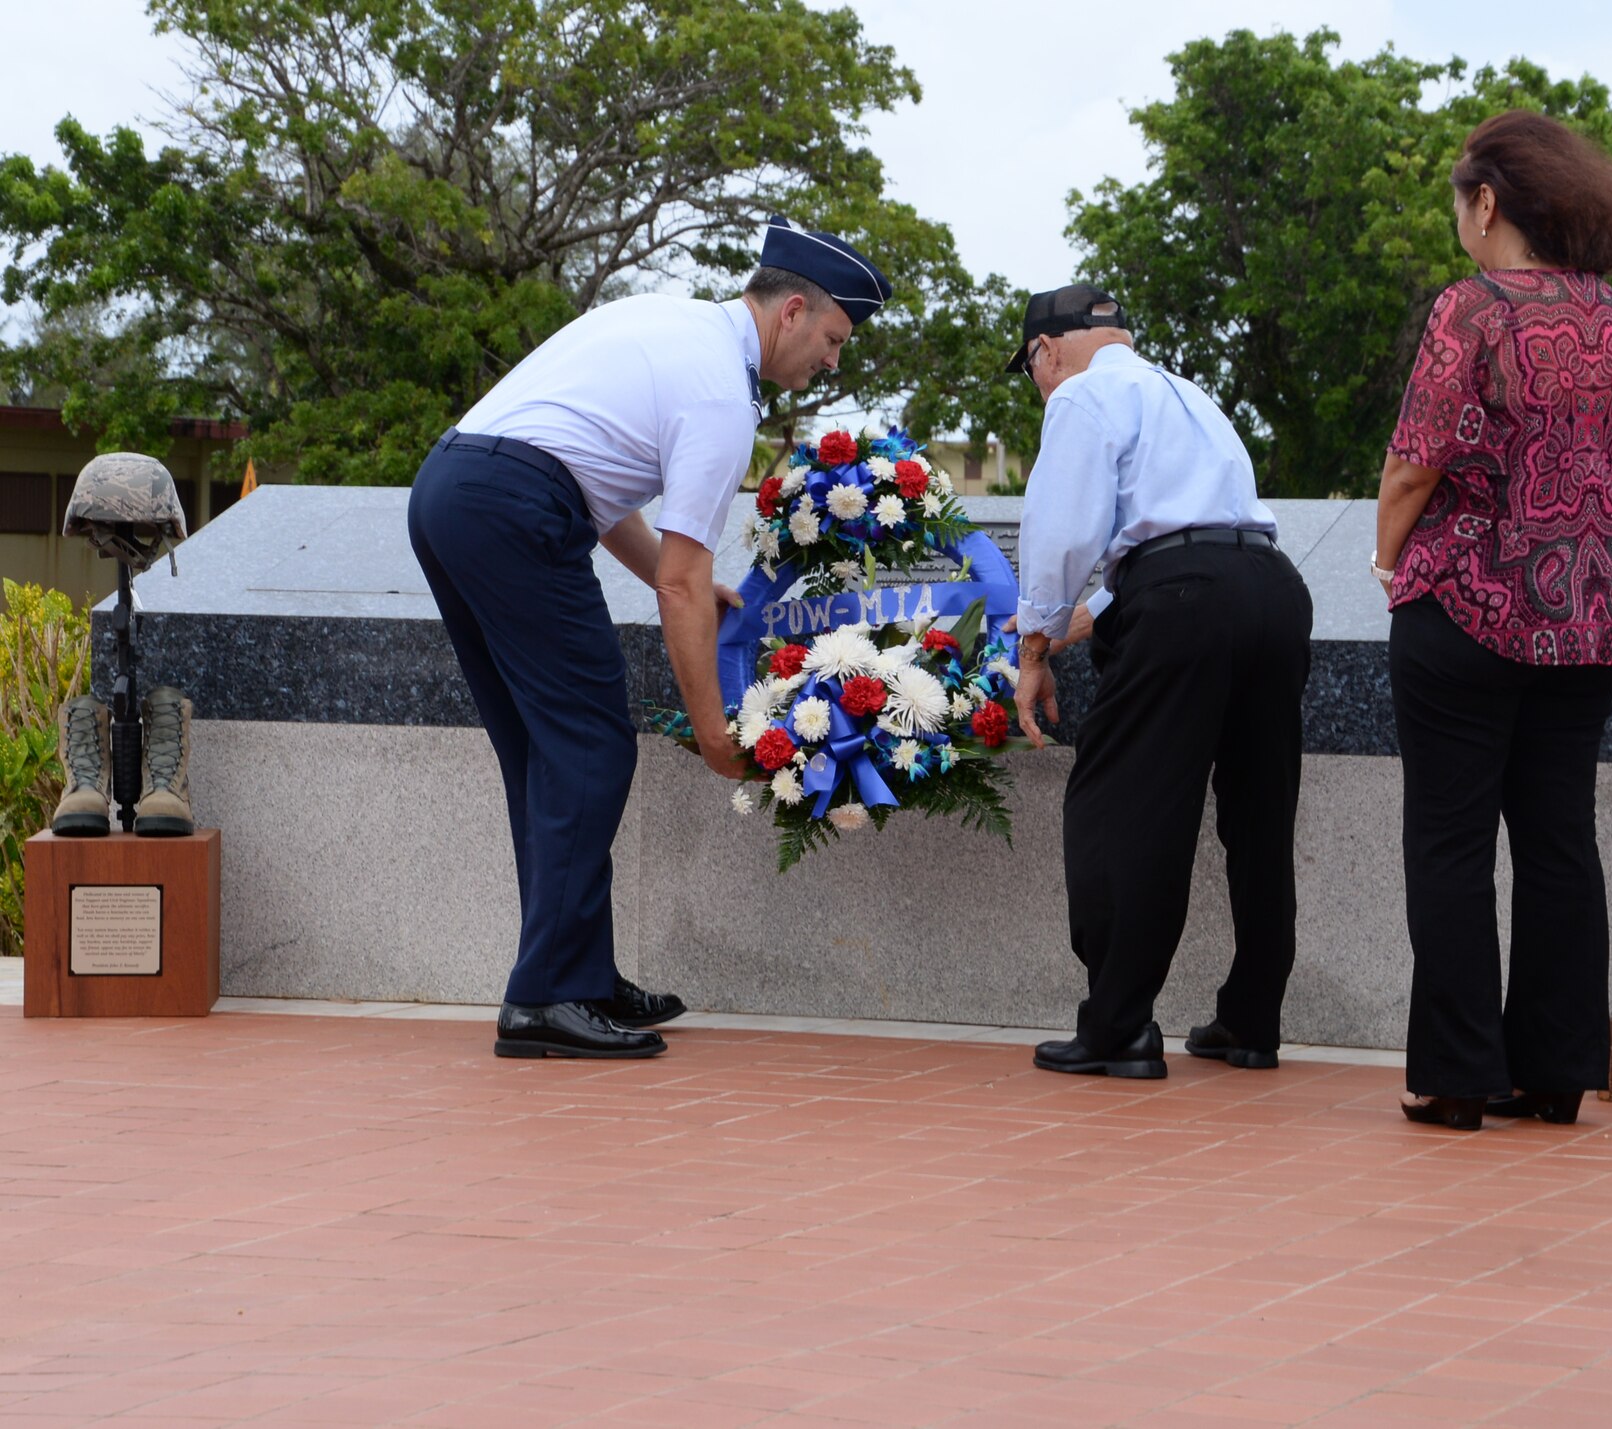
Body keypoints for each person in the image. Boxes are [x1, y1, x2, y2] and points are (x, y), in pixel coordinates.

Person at [407, 217, 891, 1060]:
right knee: (593, 744)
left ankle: (575, 972)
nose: (832, 360)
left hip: (451, 490)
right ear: (792, 313)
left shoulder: (676, 324)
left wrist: (696, 583)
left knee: (543, 751)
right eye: (833, 338)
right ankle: (545, 997)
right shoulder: (718, 390)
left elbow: (602, 494)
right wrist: (714, 732)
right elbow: (679, 577)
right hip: (514, 509)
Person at [1375, 111, 1612, 1130]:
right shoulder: (1609, 316)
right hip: (1583, 621)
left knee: (1449, 843)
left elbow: (1416, 457)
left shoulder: (1474, 308)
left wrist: (1382, 558)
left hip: (1466, 609)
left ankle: (1452, 1074)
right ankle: (1552, 1070)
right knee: (1555, 844)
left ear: (1484, 202)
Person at [1008, 284, 1313, 1079]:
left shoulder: (1082, 395)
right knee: (1259, 812)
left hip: (1184, 601)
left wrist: (1033, 648)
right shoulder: (1189, 395)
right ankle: (1252, 1023)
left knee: (1119, 807)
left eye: (1032, 369)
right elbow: (1181, 538)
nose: (1040, 383)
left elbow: (1064, 532)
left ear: (1048, 351)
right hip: (1272, 590)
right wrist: (1093, 616)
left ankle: (1119, 1026)